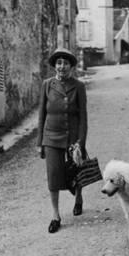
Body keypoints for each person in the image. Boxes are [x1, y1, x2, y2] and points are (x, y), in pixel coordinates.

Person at [37, 48, 88, 233]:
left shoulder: (79, 86)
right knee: (53, 175)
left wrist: (80, 142)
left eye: (66, 63)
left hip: (73, 137)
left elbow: (83, 117)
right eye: (58, 63)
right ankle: (56, 215)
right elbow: (41, 114)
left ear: (71, 66)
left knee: (77, 170)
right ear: (54, 66)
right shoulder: (47, 85)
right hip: (51, 136)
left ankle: (79, 198)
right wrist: (39, 143)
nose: (62, 67)